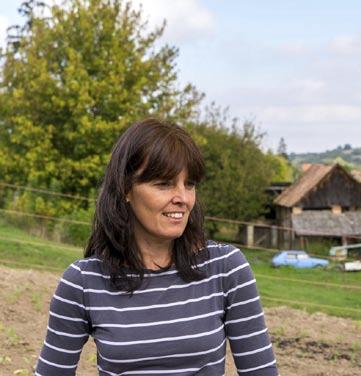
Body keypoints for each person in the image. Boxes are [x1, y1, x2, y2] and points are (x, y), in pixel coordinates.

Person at [36, 119, 278, 375]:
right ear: (126, 189)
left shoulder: (226, 268)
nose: (182, 198)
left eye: (190, 184)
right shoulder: (83, 282)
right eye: (164, 184)